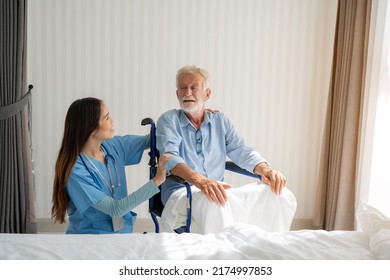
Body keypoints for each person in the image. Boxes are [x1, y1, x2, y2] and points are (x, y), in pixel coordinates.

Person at [156, 65, 297, 233]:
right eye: (183, 88)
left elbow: (241, 150)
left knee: (279, 195)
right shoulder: (169, 120)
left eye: (194, 87)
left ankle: (269, 247)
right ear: (177, 94)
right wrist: (201, 181)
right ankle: (217, 255)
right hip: (181, 190)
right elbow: (170, 158)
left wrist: (264, 169)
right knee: (214, 203)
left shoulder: (220, 121)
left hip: (217, 189)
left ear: (207, 94)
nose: (187, 93)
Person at [51, 97, 170, 234]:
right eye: (106, 118)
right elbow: (115, 209)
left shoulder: (112, 146)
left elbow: (152, 139)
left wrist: (172, 122)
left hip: (123, 233)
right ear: (91, 129)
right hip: (91, 238)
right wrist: (156, 181)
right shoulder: (75, 171)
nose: (112, 120)